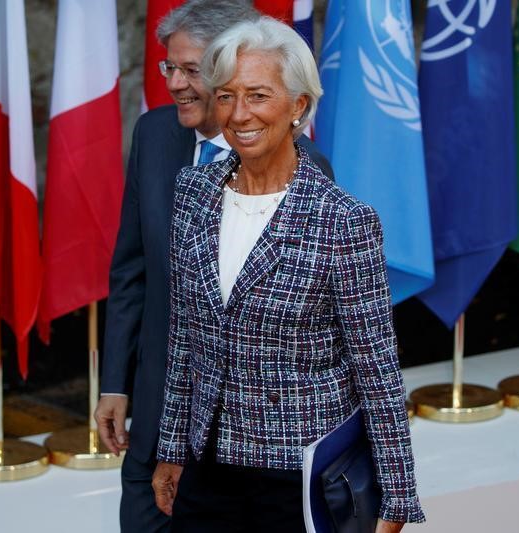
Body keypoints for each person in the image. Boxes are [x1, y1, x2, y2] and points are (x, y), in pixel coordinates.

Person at [152, 16, 425, 533]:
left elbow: (377, 368)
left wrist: (395, 497)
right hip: (207, 468)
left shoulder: (343, 220)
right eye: (227, 96)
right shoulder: (192, 192)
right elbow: (184, 339)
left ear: (298, 106)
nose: (239, 114)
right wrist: (172, 449)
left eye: (258, 95)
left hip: (301, 477)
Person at [94, 1, 333, 531]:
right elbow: (132, 270)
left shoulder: (305, 171)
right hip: (157, 414)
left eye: (192, 70)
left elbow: (327, 326)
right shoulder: (155, 135)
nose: (176, 83)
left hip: (249, 437)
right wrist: (116, 383)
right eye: (168, 67)